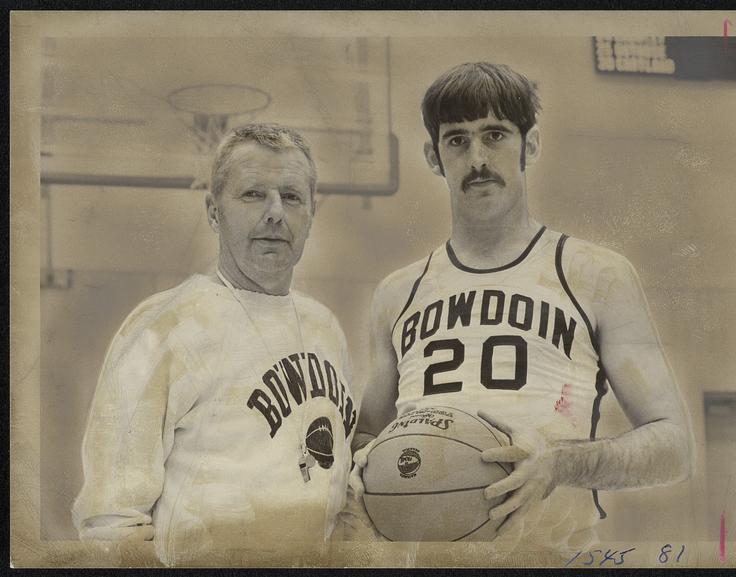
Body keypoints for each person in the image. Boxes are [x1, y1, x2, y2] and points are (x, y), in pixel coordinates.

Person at [347, 62, 695, 553]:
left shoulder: (595, 274)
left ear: (529, 146)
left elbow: (673, 446)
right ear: (433, 156)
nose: (478, 158)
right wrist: (370, 466)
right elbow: (366, 436)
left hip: (553, 555)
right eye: (457, 140)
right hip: (421, 557)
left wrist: (558, 462)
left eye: (495, 135)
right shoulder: (397, 292)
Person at [73, 123, 357, 566]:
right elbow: (111, 523)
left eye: (292, 196)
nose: (275, 213)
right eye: (252, 195)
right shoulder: (163, 326)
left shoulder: (326, 329)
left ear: (312, 214)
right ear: (212, 211)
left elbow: (336, 485)